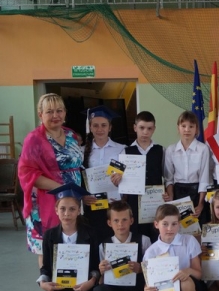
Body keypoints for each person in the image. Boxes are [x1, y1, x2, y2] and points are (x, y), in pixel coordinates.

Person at [19, 93, 84, 267]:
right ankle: (49, 284)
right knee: (47, 250)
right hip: (45, 202)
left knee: (71, 245)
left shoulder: (71, 135)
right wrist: (62, 188)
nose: (55, 115)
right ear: (40, 114)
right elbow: (26, 173)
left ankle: (70, 283)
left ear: (65, 112)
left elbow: (78, 166)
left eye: (59, 110)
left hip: (72, 200)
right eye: (49, 112)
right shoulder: (34, 139)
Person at [37, 183, 100, 291]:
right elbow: (46, 268)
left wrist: (91, 282)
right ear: (56, 210)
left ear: (79, 210)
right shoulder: (50, 235)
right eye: (63, 209)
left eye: (72, 209)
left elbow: (96, 266)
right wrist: (43, 283)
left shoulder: (90, 233)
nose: (67, 213)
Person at [143, 204, 207, 291]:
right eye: (165, 224)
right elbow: (149, 283)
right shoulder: (151, 252)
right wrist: (147, 290)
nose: (170, 228)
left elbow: (198, 274)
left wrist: (188, 271)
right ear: (156, 224)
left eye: (174, 224)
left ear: (179, 224)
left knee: (185, 282)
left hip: (194, 289)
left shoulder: (189, 241)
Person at [92, 201, 151, 291]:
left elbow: (152, 269)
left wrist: (140, 268)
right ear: (109, 223)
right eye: (116, 220)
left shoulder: (144, 240)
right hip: (115, 288)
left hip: (136, 290)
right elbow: (101, 279)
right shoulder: (104, 245)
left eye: (124, 220)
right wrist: (101, 270)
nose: (120, 224)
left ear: (131, 220)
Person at [81, 105, 126, 241]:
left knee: (114, 241)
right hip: (92, 205)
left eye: (104, 125)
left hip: (115, 204)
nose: (99, 129)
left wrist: (122, 179)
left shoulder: (122, 150)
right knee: (95, 241)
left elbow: (130, 178)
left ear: (110, 127)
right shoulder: (81, 151)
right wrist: (83, 196)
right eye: (95, 125)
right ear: (90, 127)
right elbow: (78, 179)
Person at [124, 111, 168, 241]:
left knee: (156, 233)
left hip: (156, 200)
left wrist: (167, 192)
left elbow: (167, 176)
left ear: (154, 129)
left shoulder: (161, 150)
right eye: (141, 128)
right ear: (135, 128)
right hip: (134, 202)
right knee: (136, 235)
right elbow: (119, 179)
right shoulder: (125, 151)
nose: (145, 132)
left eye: (149, 128)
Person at [164, 111, 211, 223]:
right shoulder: (171, 150)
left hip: (197, 193)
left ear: (196, 129)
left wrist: (200, 204)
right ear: (178, 128)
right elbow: (168, 178)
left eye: (191, 126)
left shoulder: (203, 149)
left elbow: (204, 179)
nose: (187, 130)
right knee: (179, 226)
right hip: (177, 193)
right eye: (183, 126)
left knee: (198, 226)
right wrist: (171, 197)